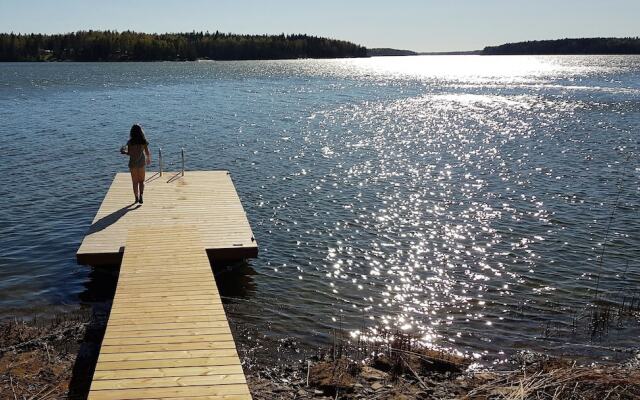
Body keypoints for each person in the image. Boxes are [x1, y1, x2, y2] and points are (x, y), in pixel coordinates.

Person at [123, 124, 151, 204]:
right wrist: (148, 158)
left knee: (135, 182)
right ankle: (141, 196)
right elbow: (147, 151)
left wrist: (123, 151)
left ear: (132, 132)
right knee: (141, 181)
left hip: (132, 163)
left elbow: (129, 153)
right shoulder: (143, 141)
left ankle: (136, 198)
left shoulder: (130, 142)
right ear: (140, 131)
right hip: (141, 162)